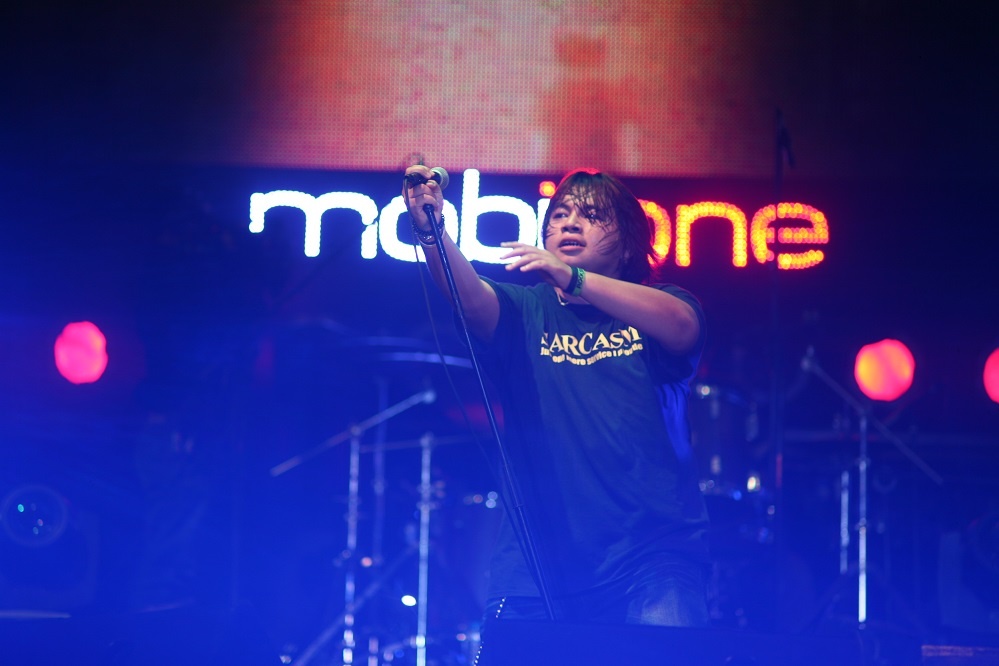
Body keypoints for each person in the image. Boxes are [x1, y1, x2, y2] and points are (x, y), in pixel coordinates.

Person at [403, 165, 710, 627]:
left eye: (591, 215)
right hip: (536, 568)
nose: (570, 224)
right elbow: (470, 298)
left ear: (629, 244)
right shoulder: (527, 309)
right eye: (560, 215)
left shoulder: (658, 306)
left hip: (651, 559)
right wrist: (432, 232)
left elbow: (683, 326)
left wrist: (575, 278)